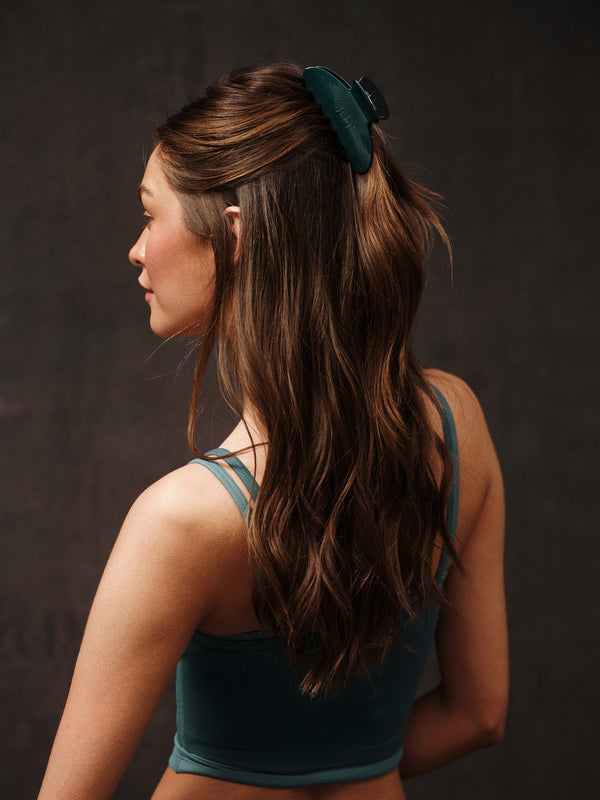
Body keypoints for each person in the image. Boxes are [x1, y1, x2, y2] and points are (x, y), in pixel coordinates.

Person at [37, 63, 508, 800]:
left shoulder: (184, 519)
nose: (136, 250)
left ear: (235, 238)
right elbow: (478, 715)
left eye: (148, 214)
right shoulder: (458, 422)